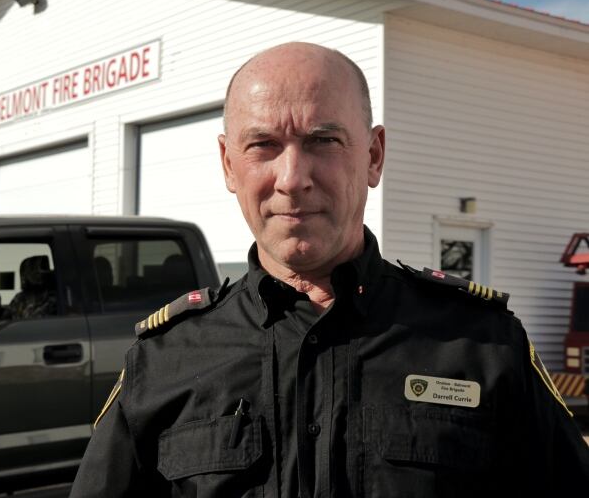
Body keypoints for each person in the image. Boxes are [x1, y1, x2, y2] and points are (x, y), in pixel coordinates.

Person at [69, 42, 589, 497]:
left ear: (374, 156)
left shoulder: (484, 345)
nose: (292, 178)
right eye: (263, 145)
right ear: (229, 165)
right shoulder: (162, 360)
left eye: (323, 140)